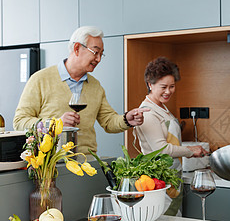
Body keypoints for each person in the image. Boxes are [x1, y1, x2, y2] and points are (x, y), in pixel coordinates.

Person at [13, 26, 146, 154]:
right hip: (49, 165)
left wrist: (127, 119)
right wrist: (54, 124)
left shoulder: (95, 86)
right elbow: (19, 122)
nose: (98, 59)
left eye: (101, 54)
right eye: (95, 52)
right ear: (77, 48)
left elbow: (108, 121)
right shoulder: (40, 79)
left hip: (86, 164)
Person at [134, 57, 208, 216]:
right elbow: (162, 150)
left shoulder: (161, 107)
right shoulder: (147, 112)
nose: (168, 91)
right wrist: (190, 150)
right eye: (163, 87)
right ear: (150, 84)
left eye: (172, 86)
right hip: (159, 181)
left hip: (172, 177)